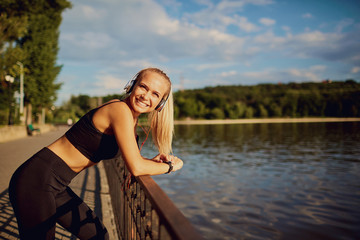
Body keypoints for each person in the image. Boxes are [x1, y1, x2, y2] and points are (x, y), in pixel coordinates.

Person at [8, 68, 183, 240]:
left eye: (155, 94)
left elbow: (134, 160)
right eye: (143, 87)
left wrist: (150, 161)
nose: (146, 96)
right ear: (132, 86)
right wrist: (170, 166)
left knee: (97, 235)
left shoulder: (131, 118)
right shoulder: (119, 110)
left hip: (56, 185)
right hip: (37, 180)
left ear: (160, 103)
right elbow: (135, 167)